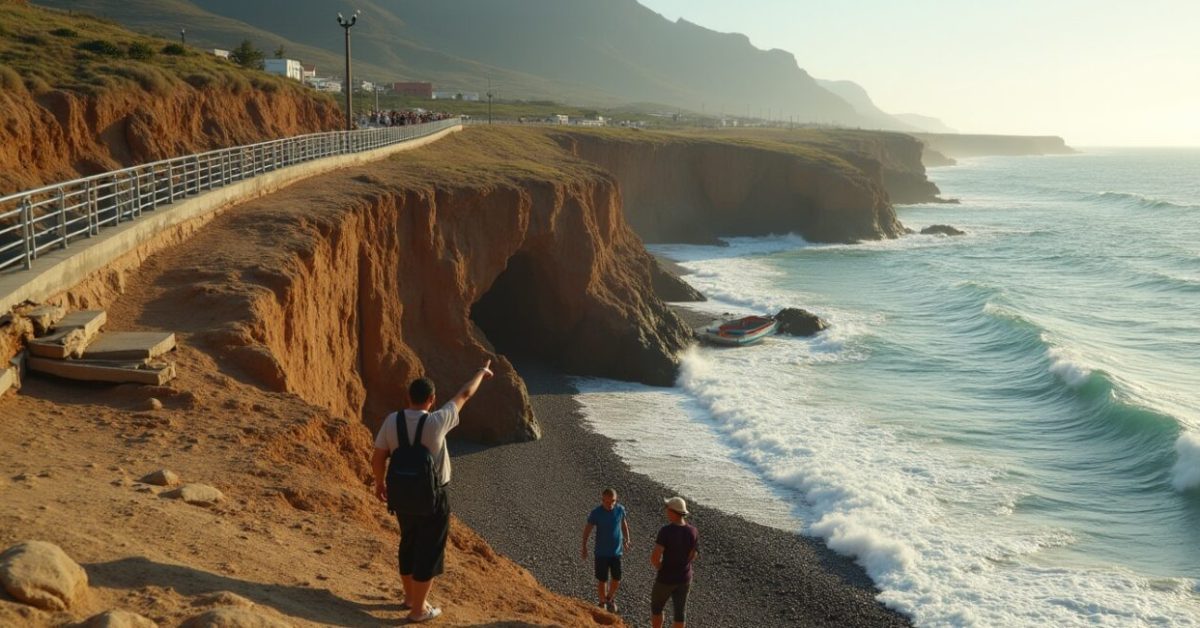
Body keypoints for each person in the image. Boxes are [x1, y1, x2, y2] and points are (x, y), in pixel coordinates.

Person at [372, 361, 494, 623]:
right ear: (432, 399)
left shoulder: (392, 420)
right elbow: (465, 394)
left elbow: (378, 456)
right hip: (433, 496)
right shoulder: (438, 420)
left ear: (408, 397)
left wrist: (380, 483)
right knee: (428, 550)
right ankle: (418, 610)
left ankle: (409, 598)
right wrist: (480, 373)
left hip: (401, 493)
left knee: (409, 543)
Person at [650, 496, 699, 628]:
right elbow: (693, 554)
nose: (666, 511)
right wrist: (683, 564)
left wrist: (661, 567)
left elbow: (655, 557)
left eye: (667, 508)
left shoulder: (666, 531)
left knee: (657, 608)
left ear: (672, 511)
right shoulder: (693, 531)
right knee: (680, 613)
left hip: (666, 578)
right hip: (685, 577)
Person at [580, 488, 631, 612]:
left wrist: (627, 539)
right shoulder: (596, 513)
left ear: (616, 500)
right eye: (607, 502)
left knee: (617, 578)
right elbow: (588, 529)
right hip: (601, 552)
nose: (610, 505)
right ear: (602, 500)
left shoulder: (620, 509)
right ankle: (602, 602)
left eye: (613, 501)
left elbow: (624, 524)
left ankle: (609, 598)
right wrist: (584, 546)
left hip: (616, 552)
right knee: (602, 579)